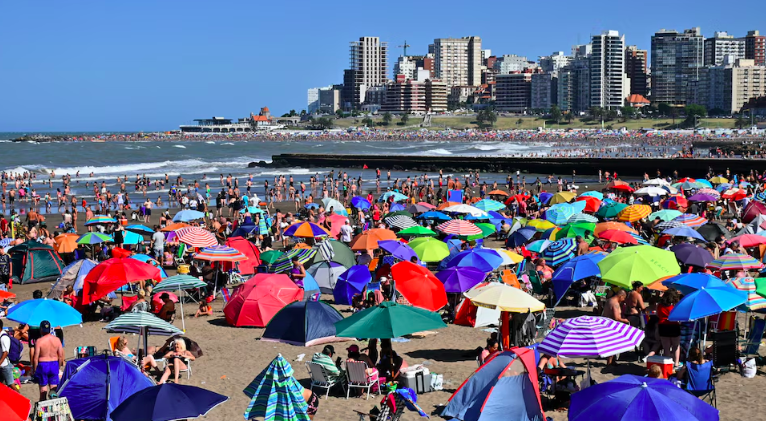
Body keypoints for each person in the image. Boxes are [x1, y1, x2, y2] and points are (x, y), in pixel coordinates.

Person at [32, 320, 64, 401]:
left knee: (43, 390)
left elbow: (35, 358)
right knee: (53, 388)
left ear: (41, 329)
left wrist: (35, 370)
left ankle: (43, 405)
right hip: (54, 364)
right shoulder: (57, 340)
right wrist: (58, 367)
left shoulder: (39, 341)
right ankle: (54, 404)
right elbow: (60, 356)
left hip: (43, 365)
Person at [602, 289, 629, 367]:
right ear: (621, 296)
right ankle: (609, 362)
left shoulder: (610, 300)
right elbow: (617, 317)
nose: (623, 300)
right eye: (623, 298)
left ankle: (612, 361)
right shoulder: (615, 303)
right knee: (613, 344)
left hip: (606, 323)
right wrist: (626, 320)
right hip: (611, 325)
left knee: (610, 344)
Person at [657, 289, 682, 368]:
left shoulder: (659, 305)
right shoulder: (673, 307)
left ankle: (668, 364)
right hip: (673, 326)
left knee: (666, 347)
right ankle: (676, 363)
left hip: (662, 326)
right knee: (676, 346)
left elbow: (658, 315)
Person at [0, 319, 15, 388]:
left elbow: (5, 352)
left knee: (11, 384)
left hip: (5, 366)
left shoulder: (4, 338)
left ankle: (18, 394)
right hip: (2, 365)